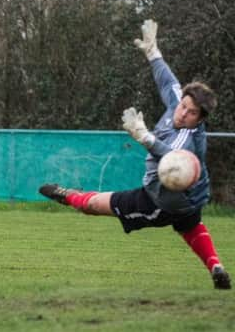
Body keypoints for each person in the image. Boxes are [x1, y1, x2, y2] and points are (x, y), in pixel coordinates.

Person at [39, 19, 230, 290]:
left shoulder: (190, 138)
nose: (183, 114)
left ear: (200, 119)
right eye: (184, 107)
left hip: (162, 201)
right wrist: (153, 53)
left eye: (191, 114)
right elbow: (167, 82)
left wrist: (144, 137)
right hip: (191, 198)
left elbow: (174, 157)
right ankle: (216, 266)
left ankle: (68, 196)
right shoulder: (179, 101)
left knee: (94, 207)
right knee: (190, 227)